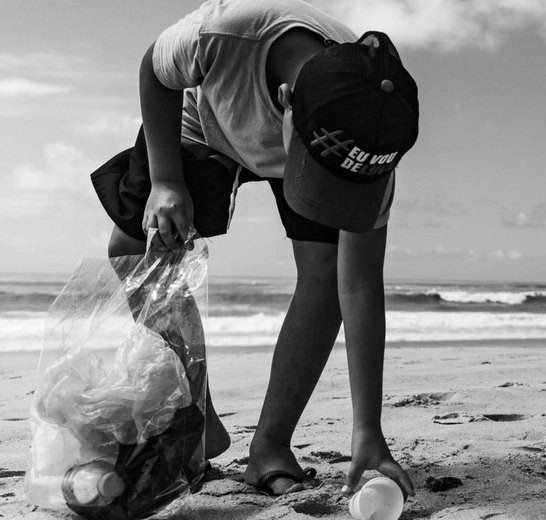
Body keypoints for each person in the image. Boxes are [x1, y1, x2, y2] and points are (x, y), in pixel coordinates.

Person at [90, 0, 419, 497]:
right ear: (286, 100)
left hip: (326, 144)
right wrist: (165, 180)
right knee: (134, 248)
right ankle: (198, 416)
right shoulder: (224, 34)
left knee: (327, 273)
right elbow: (155, 68)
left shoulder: (370, 137)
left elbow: (358, 286)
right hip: (208, 121)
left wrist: (367, 431)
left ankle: (270, 446)